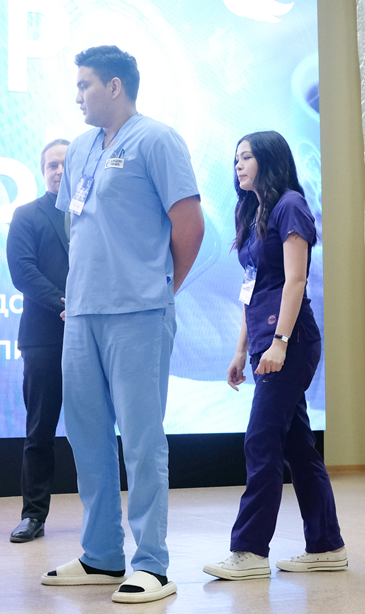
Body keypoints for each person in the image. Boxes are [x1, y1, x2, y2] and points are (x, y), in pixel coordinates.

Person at [43, 45, 205, 604]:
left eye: (84, 85)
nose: (78, 96)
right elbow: (78, 227)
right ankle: (101, 555)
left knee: (140, 439)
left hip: (139, 312)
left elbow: (189, 227)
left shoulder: (158, 140)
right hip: (83, 312)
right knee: (87, 437)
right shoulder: (80, 147)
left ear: (115, 86)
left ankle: (152, 564)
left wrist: (160, 287)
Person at [203, 131, 346, 580]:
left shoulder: (290, 206)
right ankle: (326, 546)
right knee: (297, 447)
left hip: (292, 341)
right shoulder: (253, 214)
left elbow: (295, 280)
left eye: (246, 157)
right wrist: (240, 349)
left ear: (269, 160)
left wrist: (280, 341)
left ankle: (249, 551)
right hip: (266, 343)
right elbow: (254, 287)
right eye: (235, 158)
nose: (238, 165)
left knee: (261, 440)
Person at [6, 139, 71, 543]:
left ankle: (101, 515)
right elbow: (22, 272)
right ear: (42, 170)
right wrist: (65, 304)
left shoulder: (95, 214)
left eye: (65, 163)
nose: (58, 171)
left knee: (96, 428)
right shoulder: (27, 214)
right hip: (44, 337)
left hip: (93, 335)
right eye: (51, 165)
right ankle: (33, 515)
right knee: (40, 430)